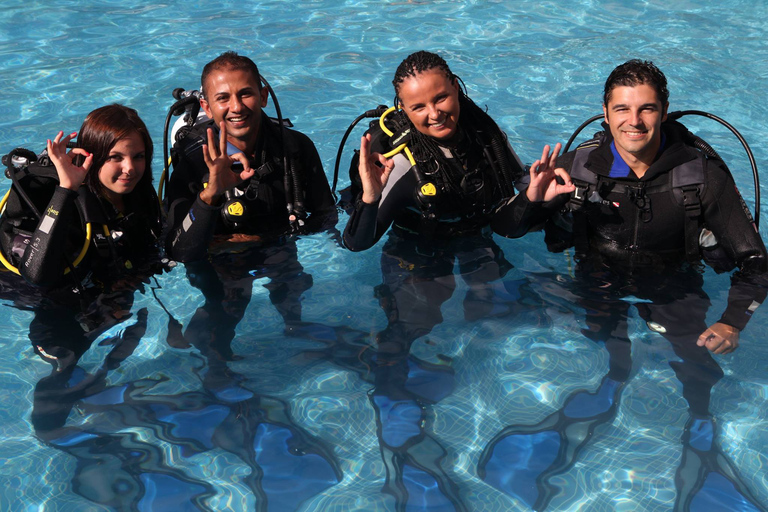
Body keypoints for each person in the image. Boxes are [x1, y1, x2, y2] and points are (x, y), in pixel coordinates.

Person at [490, 59, 768, 511]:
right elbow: (504, 230)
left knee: (697, 367)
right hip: (596, 277)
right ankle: (611, 387)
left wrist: (733, 322)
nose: (633, 121)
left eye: (647, 109)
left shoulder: (701, 178)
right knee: (605, 345)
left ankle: (701, 438)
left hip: (673, 284)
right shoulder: (577, 167)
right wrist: (530, 202)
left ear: (664, 110)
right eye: (622, 109)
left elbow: (756, 262)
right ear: (605, 112)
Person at [341, 50, 559, 509]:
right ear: (402, 109)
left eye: (441, 98)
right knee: (413, 327)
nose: (434, 113)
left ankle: (488, 413)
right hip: (416, 251)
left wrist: (535, 200)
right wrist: (369, 192)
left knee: (501, 313)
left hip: (474, 236)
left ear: (457, 88)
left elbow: (507, 222)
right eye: (418, 107)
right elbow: (357, 242)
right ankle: (398, 436)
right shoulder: (400, 162)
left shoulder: (485, 134)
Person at [164, 51, 336, 332]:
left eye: (245, 94)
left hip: (279, 247)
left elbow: (326, 217)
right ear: (206, 107)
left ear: (264, 95)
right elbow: (177, 250)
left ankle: (299, 335)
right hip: (219, 262)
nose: (236, 107)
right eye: (223, 98)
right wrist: (210, 196)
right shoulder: (193, 162)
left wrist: (266, 238)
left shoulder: (295, 148)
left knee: (293, 298)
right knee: (224, 312)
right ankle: (216, 368)